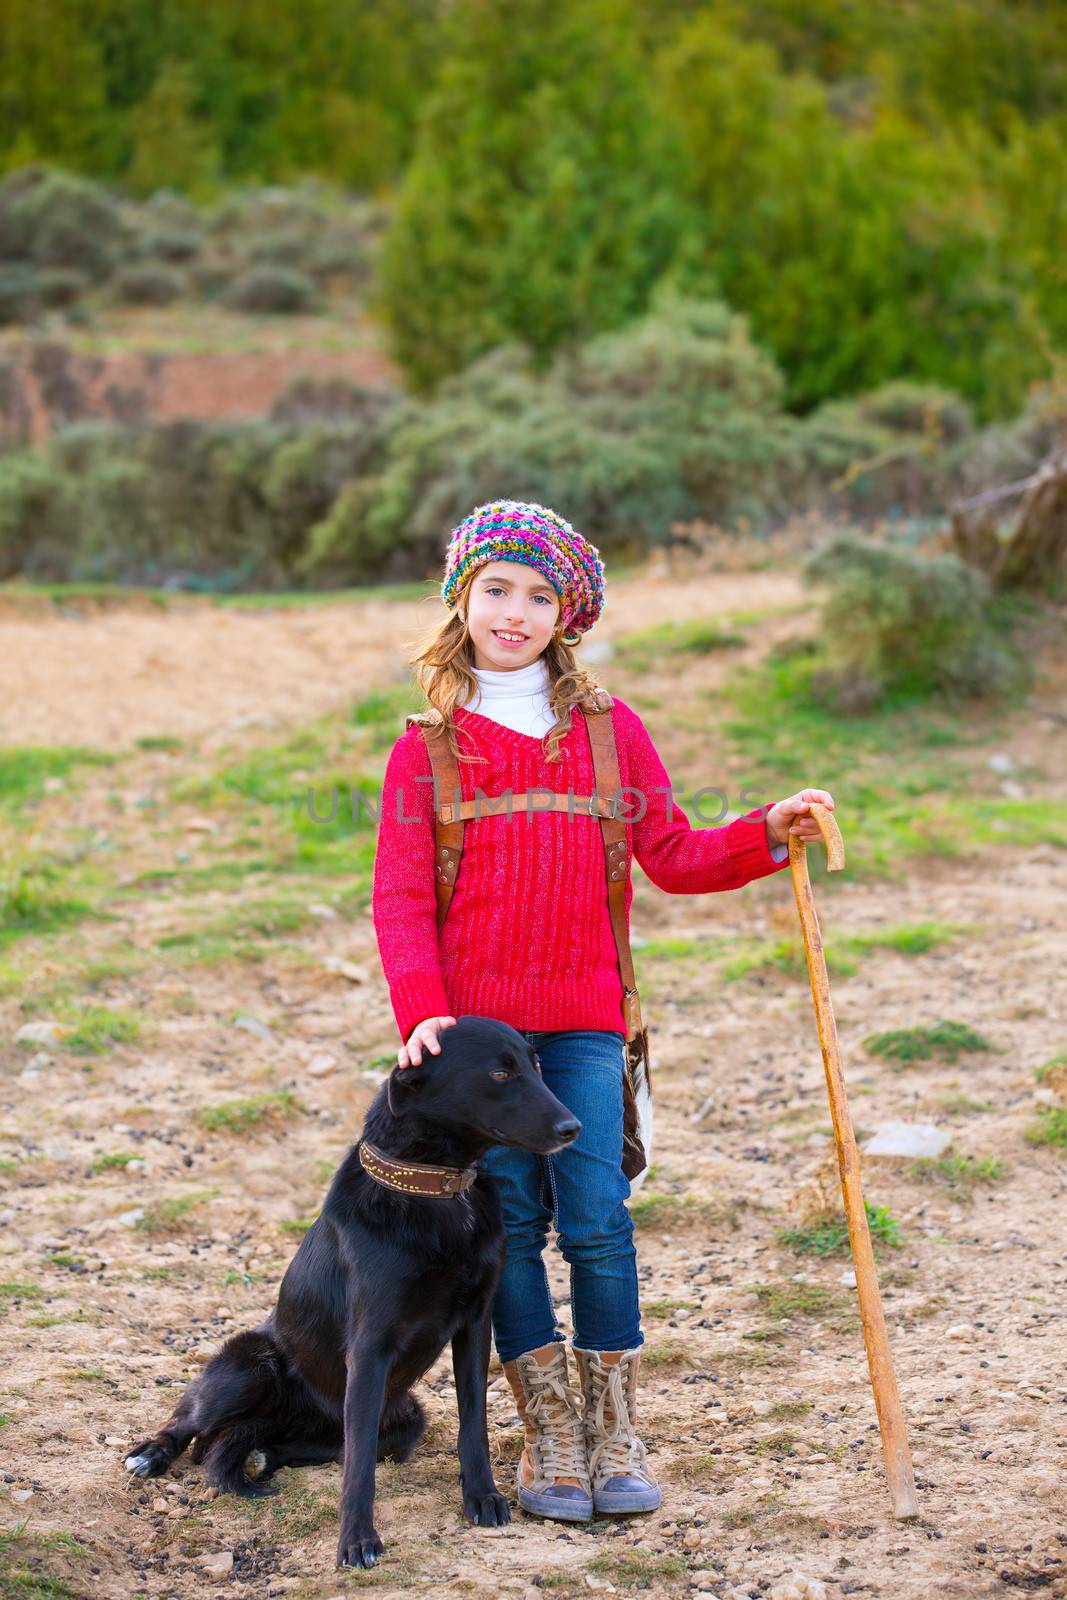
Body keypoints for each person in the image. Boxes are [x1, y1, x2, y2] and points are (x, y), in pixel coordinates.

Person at [371, 499, 835, 1523]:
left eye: (539, 596)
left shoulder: (606, 731)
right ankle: (548, 1435)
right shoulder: (428, 749)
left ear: (564, 615)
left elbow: (670, 852)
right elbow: (400, 898)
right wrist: (422, 1012)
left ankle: (613, 1426)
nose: (514, 611)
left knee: (596, 1218)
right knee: (510, 1225)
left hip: (583, 1020)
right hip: (477, 1049)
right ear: (461, 599)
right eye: (496, 589)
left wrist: (766, 831)